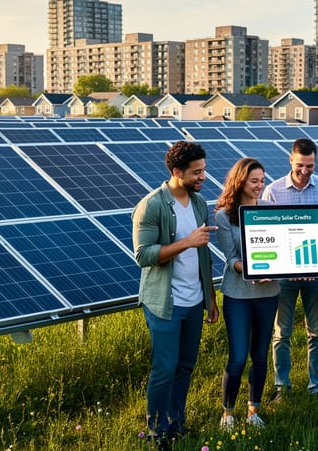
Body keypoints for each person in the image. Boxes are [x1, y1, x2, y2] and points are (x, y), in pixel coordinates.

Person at [133, 140, 220, 450]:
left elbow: (204, 255)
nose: (203, 177)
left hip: (195, 300)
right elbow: (143, 255)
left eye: (204, 171)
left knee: (185, 366)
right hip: (165, 303)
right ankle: (156, 430)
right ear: (176, 172)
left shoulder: (198, 203)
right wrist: (186, 241)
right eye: (196, 172)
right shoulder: (153, 205)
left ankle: (176, 422)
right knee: (164, 368)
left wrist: (210, 296)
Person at [261, 138, 318, 409]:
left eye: (311, 166)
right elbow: (268, 232)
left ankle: (316, 387)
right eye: (301, 165)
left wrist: (312, 267)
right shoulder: (273, 191)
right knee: (282, 333)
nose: (305, 171)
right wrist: (289, 267)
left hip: (316, 275)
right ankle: (283, 386)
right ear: (290, 161)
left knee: (316, 333)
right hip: (284, 277)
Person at [214, 158, 281, 430]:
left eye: (262, 181)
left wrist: (279, 268)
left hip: (269, 292)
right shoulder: (224, 214)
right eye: (254, 181)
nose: (259, 186)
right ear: (240, 181)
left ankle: (253, 410)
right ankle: (227, 413)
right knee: (238, 356)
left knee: (260, 355)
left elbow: (279, 250)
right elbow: (230, 259)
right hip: (238, 294)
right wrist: (251, 270)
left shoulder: (269, 209)